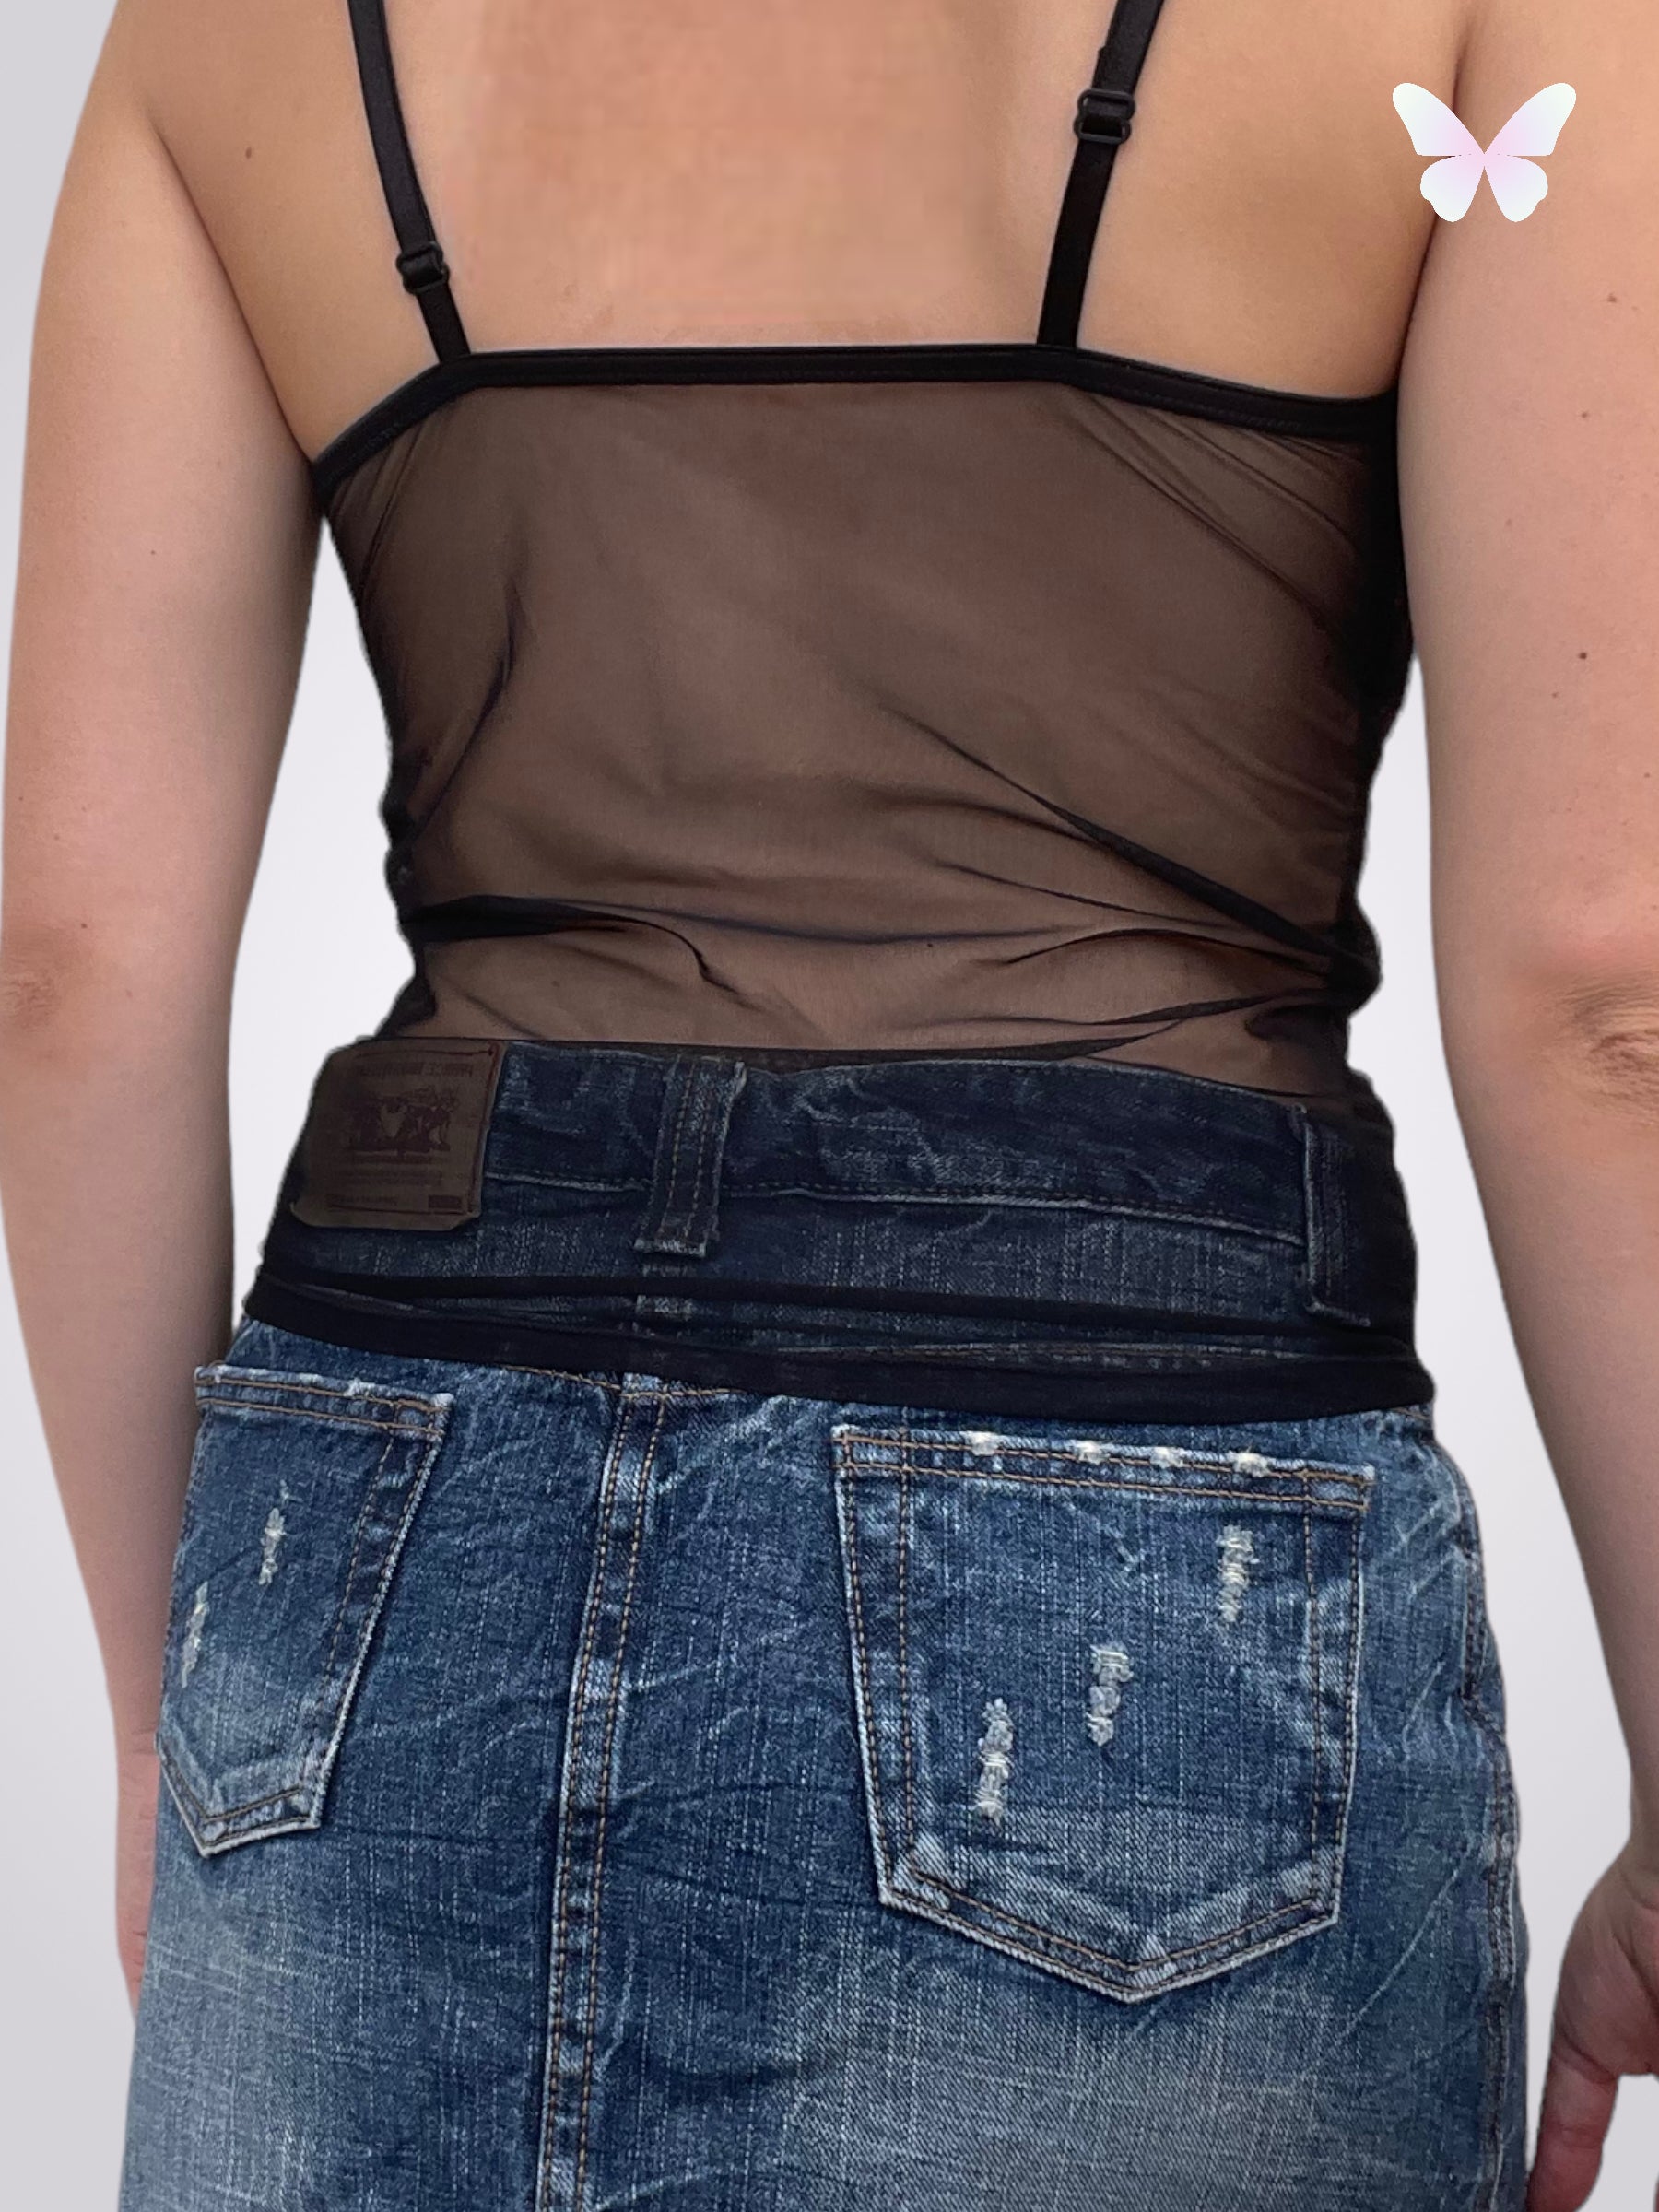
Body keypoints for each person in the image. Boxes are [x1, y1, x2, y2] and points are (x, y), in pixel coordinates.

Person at [2, 0, 1655, 2203]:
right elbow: (1603, 990)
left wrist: (166, 1723)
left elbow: (66, 967)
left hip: (384, 1521)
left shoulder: (224, 39)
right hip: (1132, 1488)